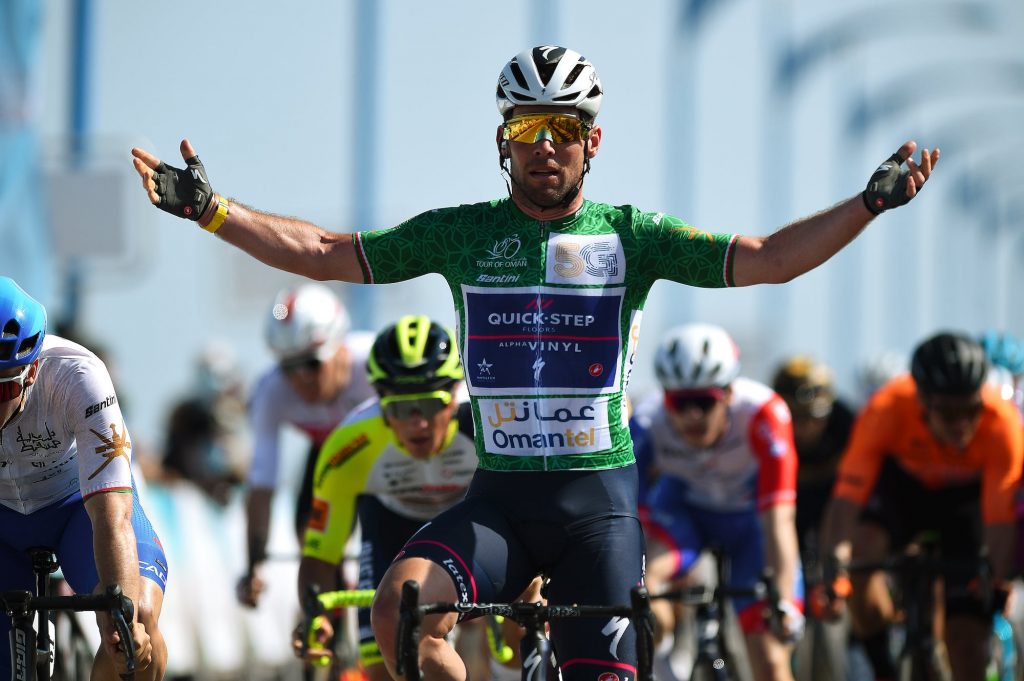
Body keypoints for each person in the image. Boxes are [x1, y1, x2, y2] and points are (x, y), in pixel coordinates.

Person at [131, 44, 938, 681]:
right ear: (502, 142)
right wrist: (211, 210)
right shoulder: (463, 233)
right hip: (501, 502)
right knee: (399, 613)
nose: (544, 147)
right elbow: (324, 251)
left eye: (563, 129)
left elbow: (769, 259)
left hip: (599, 507)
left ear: (593, 141)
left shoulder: (633, 235)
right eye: (525, 130)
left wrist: (868, 203)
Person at [820, 331, 1023, 681]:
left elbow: (1000, 524)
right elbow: (846, 502)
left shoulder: (1001, 423)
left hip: (965, 504)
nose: (962, 424)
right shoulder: (886, 408)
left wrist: (997, 581)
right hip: (903, 492)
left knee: (967, 644)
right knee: (862, 555)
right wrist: (836, 569)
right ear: (923, 402)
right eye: (949, 412)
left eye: (970, 410)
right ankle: (882, 666)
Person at [0, 277, 167, 680]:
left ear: (31, 371)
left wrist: (120, 613)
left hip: (78, 508)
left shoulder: (77, 375)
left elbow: (112, 515)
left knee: (134, 624)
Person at [295, 315, 478, 681]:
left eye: (429, 405)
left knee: (515, 627)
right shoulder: (349, 445)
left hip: (471, 523)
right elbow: (321, 553)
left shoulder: (484, 425)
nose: (417, 423)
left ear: (454, 396)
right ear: (380, 403)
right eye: (400, 409)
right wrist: (316, 616)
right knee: (383, 664)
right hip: (392, 528)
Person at [633, 323, 803, 681]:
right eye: (680, 403)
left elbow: (779, 521)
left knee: (771, 656)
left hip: (750, 525)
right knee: (646, 589)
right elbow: (627, 513)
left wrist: (784, 601)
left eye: (704, 402)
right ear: (665, 397)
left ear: (727, 394)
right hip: (685, 516)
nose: (692, 415)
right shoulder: (647, 422)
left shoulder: (763, 413)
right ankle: (662, 663)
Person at [237, 282, 376, 608]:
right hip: (329, 457)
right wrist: (253, 565)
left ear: (339, 346)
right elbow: (262, 486)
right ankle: (326, 620)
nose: (301, 379)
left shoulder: (371, 363)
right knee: (310, 540)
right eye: (289, 367)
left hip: (381, 456)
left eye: (312, 363)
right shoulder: (271, 391)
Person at [770, 354, 855, 558]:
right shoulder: (766, 427)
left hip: (831, 495)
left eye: (814, 416)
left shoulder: (847, 425)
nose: (803, 428)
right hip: (786, 496)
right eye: (794, 417)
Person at [160, 340, 248, 505]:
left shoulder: (235, 411)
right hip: (187, 495)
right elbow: (178, 460)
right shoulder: (185, 413)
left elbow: (240, 464)